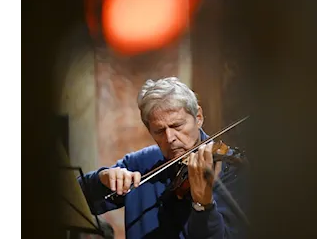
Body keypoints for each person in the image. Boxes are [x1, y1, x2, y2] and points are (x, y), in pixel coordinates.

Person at [77, 77, 249, 239]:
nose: (169, 138)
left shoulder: (229, 170)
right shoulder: (141, 163)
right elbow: (74, 200)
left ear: (198, 118)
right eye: (159, 131)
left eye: (177, 125)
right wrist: (102, 180)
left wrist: (203, 205)